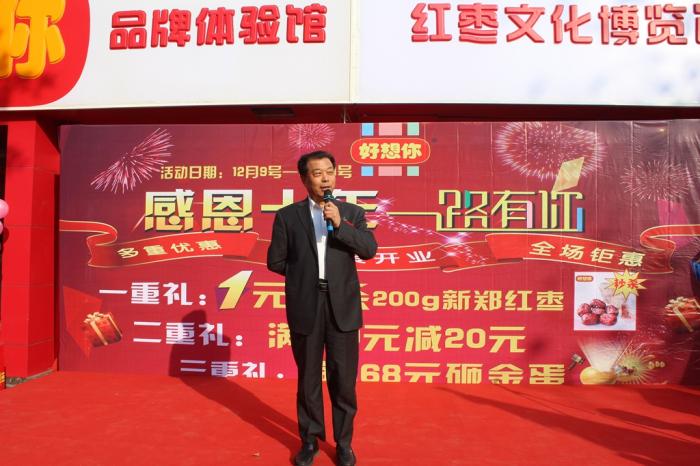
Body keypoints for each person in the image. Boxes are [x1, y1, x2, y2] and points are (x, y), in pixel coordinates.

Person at [267, 151, 377, 466]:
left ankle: (344, 444)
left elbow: (369, 250)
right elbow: (275, 261)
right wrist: (304, 278)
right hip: (306, 306)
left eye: (330, 171)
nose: (325, 178)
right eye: (317, 173)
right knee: (308, 380)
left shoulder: (352, 212)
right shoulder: (288, 216)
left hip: (342, 308)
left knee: (344, 381)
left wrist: (340, 224)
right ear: (305, 179)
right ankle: (309, 441)